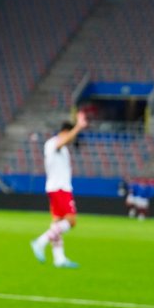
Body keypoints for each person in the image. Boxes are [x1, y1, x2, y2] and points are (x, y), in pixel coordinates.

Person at [30, 110, 89, 269]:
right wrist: (79, 126)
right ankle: (40, 242)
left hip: (57, 188)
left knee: (57, 223)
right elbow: (63, 141)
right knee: (71, 221)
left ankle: (59, 258)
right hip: (59, 188)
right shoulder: (53, 143)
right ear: (66, 132)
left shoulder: (62, 148)